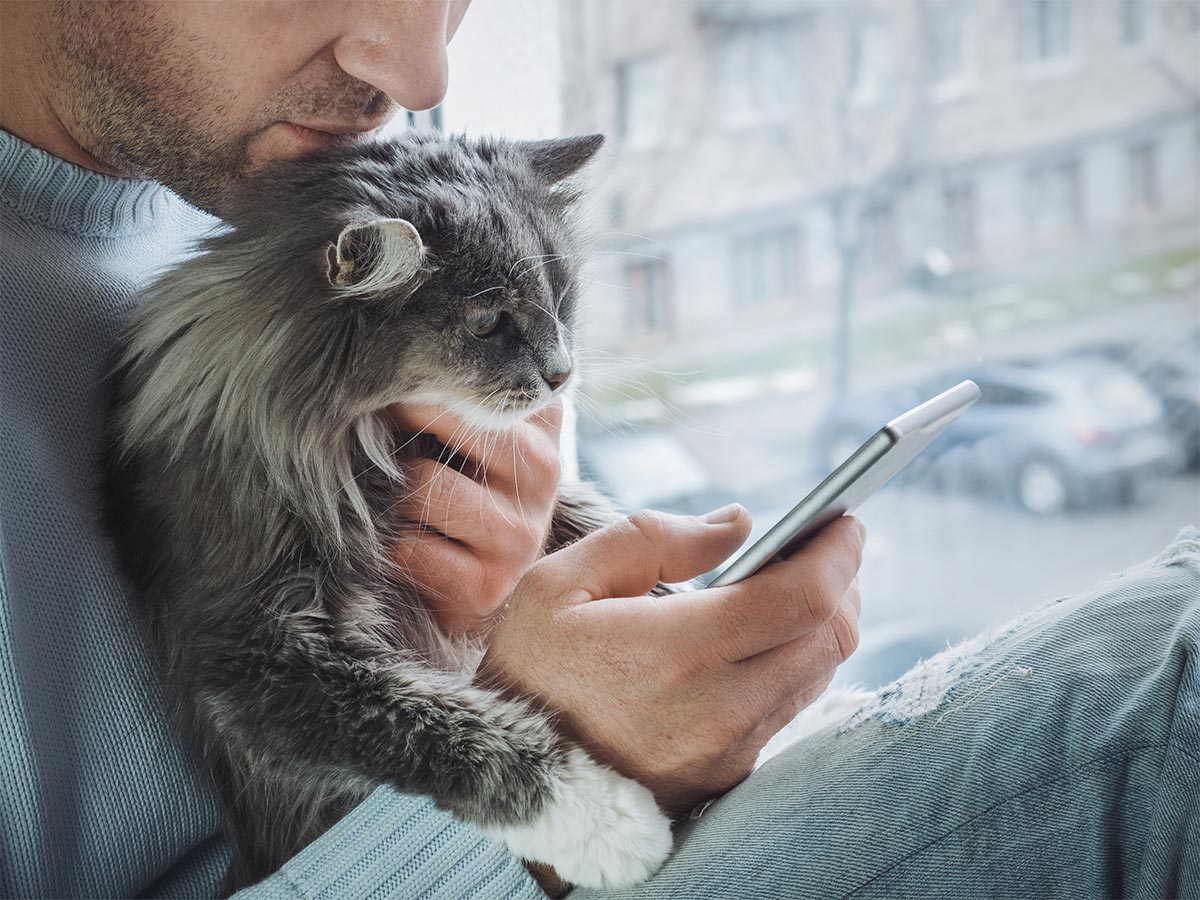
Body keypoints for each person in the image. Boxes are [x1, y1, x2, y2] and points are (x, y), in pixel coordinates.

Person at [0, 3, 1194, 898]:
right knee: (1163, 684)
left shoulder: (263, 145)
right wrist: (537, 773)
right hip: (485, 844)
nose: (418, 71)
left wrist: (516, 566)